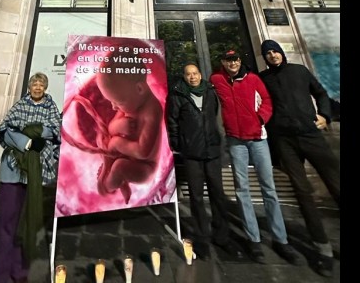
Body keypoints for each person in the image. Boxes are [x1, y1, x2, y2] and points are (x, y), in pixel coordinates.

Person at [209, 48, 300, 265]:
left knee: (268, 188)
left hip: (258, 139)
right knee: (242, 189)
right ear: (223, 62)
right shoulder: (217, 80)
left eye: (235, 60)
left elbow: (267, 100)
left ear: (240, 61)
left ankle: (280, 239)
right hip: (235, 140)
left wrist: (261, 119)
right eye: (228, 60)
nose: (233, 63)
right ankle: (253, 239)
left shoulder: (253, 79)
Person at [259, 39, 340, 277]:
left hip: (311, 135)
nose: (272, 55)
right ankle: (323, 249)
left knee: (336, 184)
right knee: (302, 192)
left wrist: (325, 115)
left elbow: (320, 92)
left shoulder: (299, 70)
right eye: (268, 53)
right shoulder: (263, 78)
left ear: (281, 52)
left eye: (275, 51)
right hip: (284, 141)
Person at [166, 62, 244, 260]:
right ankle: (201, 239)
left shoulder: (210, 92)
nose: (192, 77)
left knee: (218, 194)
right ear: (184, 77)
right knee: (197, 197)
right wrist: (179, 144)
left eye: (195, 73)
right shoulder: (177, 95)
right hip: (192, 153)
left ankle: (222, 236)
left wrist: (220, 141)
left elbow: (217, 116)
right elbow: (172, 121)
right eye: (188, 74)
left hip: (212, 151)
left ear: (200, 75)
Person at [0, 72, 62, 283]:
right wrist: (28, 141)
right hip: (13, 170)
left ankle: (20, 271)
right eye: (35, 84)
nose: (38, 88)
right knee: (8, 222)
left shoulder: (51, 108)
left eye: (41, 84)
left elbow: (56, 131)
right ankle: (2, 275)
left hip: (36, 172)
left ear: (45, 88)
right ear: (29, 87)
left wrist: (36, 131)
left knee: (27, 223)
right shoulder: (19, 106)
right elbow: (5, 131)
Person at [94, 57, 164, 204]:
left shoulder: (152, 112)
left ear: (139, 89)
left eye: (118, 102)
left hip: (144, 168)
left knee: (120, 166)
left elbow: (143, 152)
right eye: (111, 101)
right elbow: (111, 128)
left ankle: (106, 187)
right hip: (125, 155)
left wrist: (117, 143)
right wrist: (119, 125)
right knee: (102, 141)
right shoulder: (130, 102)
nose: (114, 107)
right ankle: (120, 181)